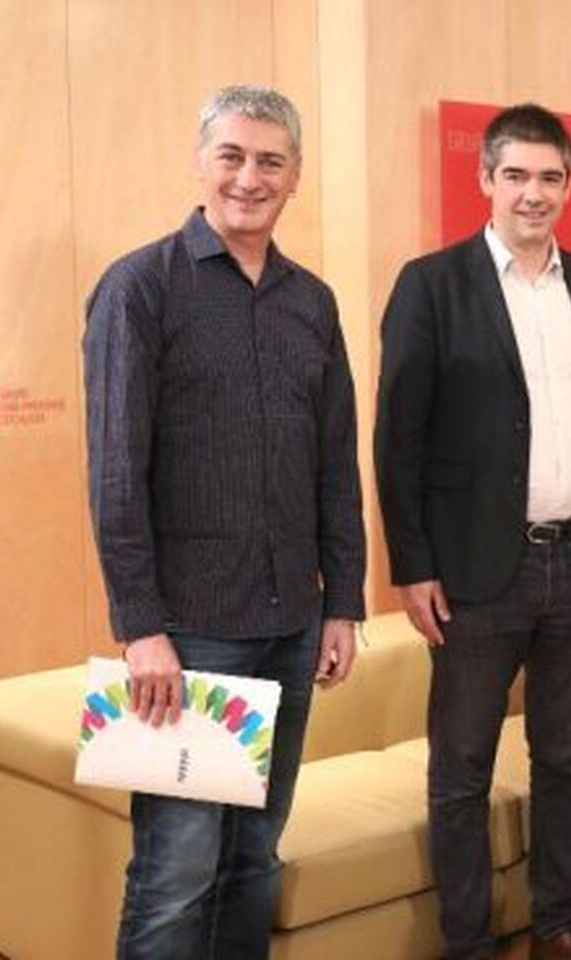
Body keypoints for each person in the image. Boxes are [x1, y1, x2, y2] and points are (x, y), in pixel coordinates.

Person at [84, 84, 364, 959]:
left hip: (290, 624)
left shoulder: (311, 302)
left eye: (270, 161)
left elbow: (334, 466)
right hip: (191, 639)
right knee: (176, 873)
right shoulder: (139, 288)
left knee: (254, 861)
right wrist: (142, 631)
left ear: (296, 177)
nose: (250, 177)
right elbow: (116, 474)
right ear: (201, 161)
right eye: (233, 156)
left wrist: (343, 601)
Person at [373, 102, 571, 960]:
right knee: (462, 773)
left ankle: (557, 923)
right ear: (485, 179)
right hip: (476, 575)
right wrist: (412, 565)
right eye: (516, 175)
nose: (533, 194)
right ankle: (467, 944)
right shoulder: (431, 284)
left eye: (550, 178)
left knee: (566, 757)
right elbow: (397, 438)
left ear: (569, 185)